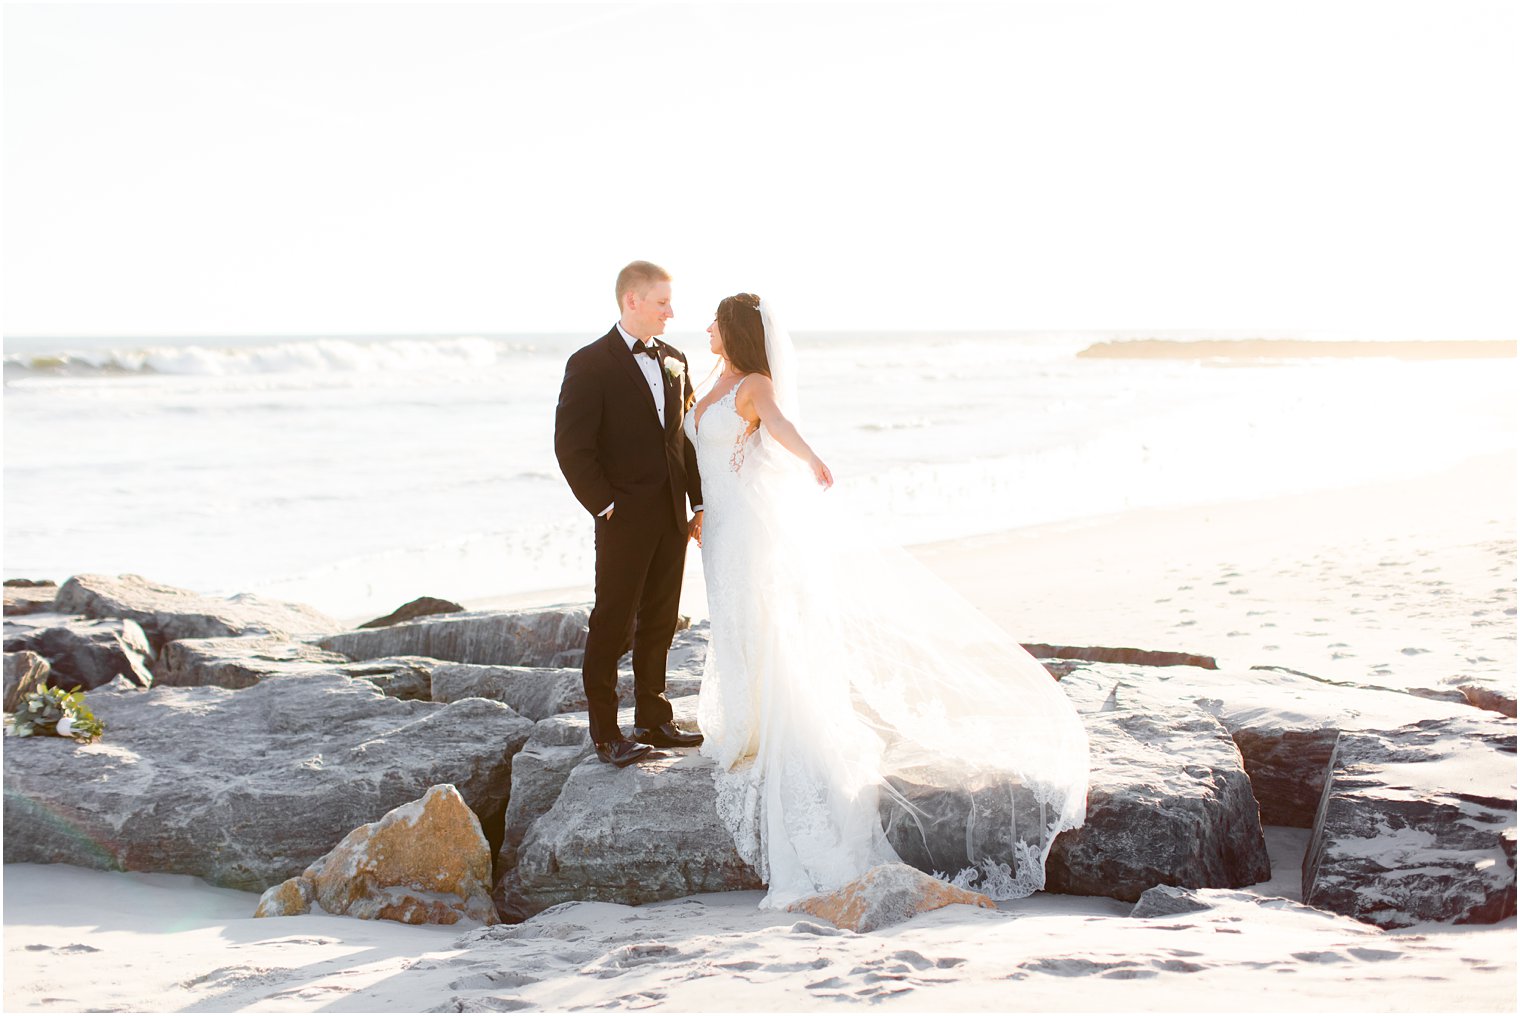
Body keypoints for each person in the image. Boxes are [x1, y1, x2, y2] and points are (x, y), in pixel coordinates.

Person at [685, 292, 1091, 910]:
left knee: (756, 617)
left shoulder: (757, 384)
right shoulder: (714, 378)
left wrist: (814, 459)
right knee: (733, 615)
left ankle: (764, 724)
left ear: (735, 330)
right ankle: (744, 717)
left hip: (746, 526)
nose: (706, 327)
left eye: (716, 319)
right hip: (718, 523)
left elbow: (782, 429)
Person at [553, 261, 706, 768]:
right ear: (631, 301)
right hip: (622, 517)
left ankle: (653, 717)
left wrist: (698, 501)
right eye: (662, 302)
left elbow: (685, 439)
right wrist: (607, 505)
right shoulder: (590, 363)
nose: (671, 312)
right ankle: (605, 733)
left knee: (661, 618)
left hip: (671, 514)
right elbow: (572, 448)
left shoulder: (676, 358)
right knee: (612, 623)